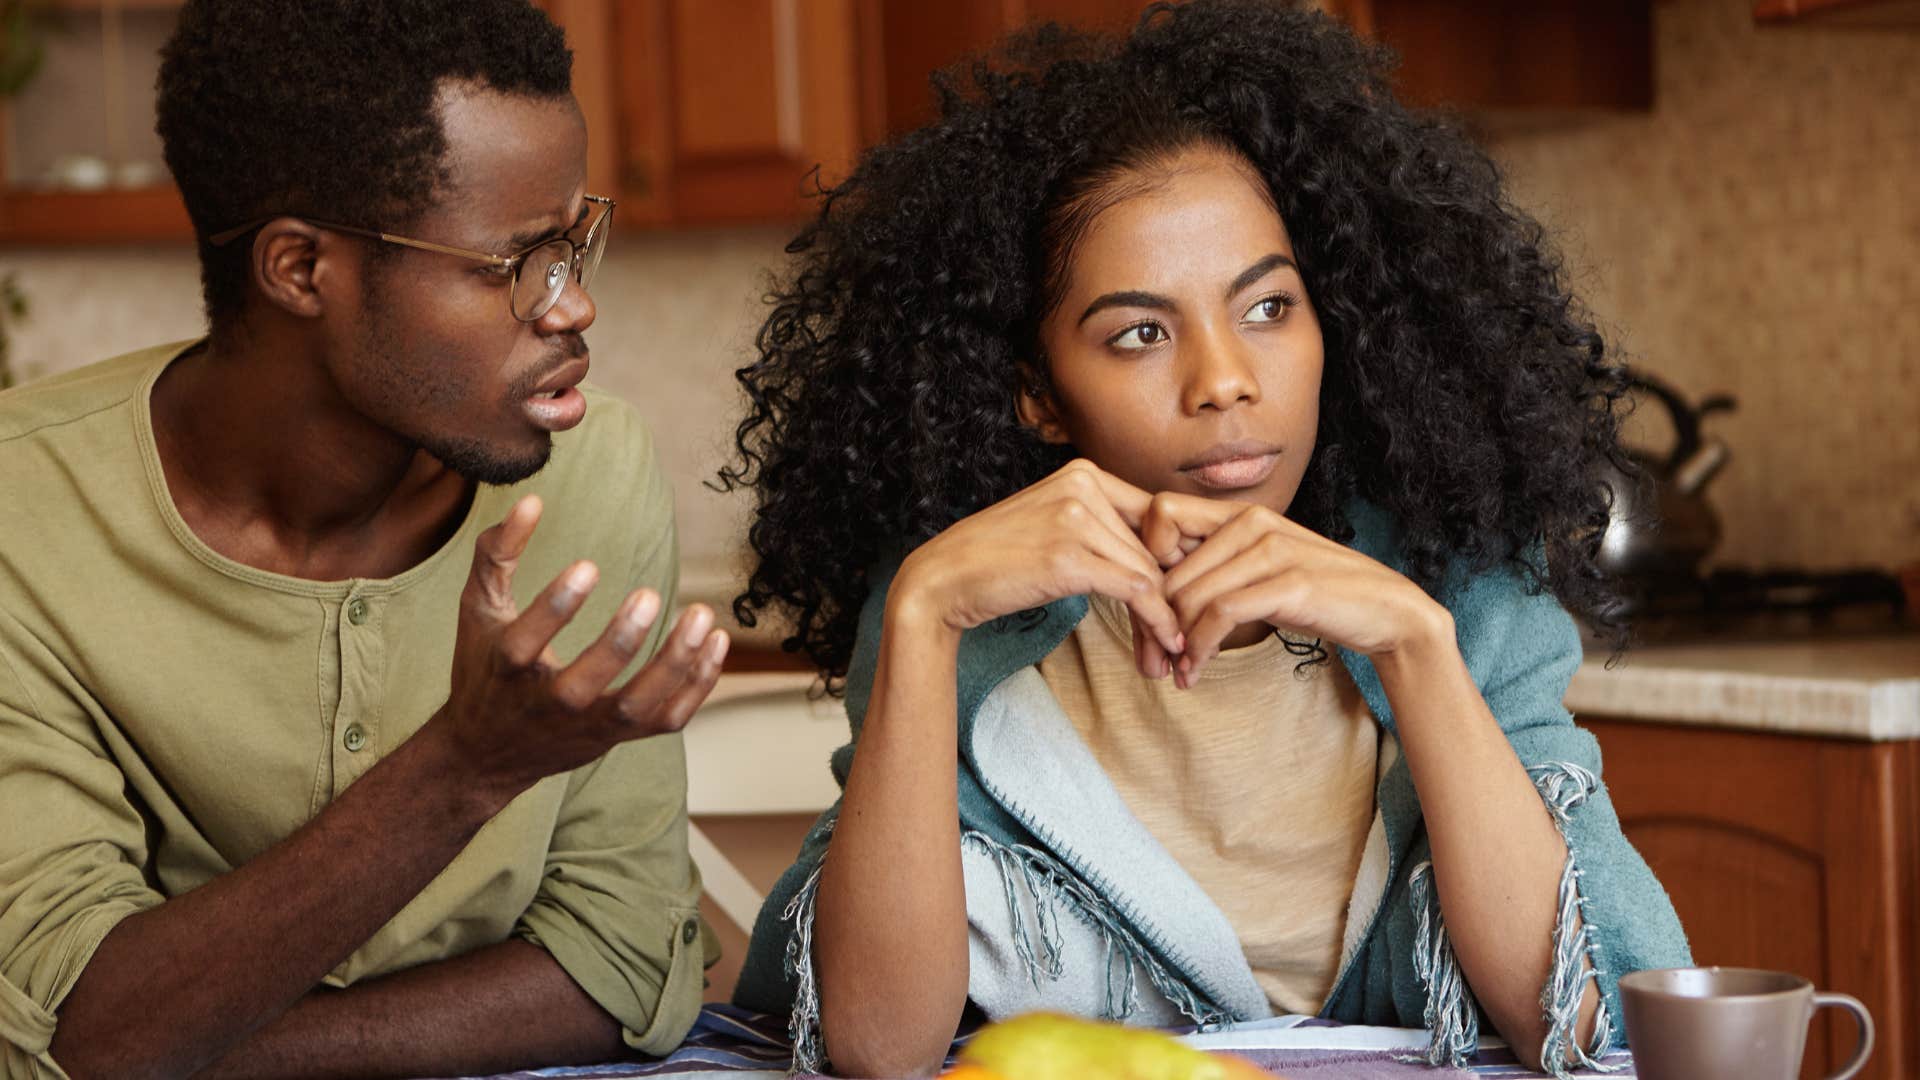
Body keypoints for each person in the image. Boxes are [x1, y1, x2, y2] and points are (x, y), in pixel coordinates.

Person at [719, 2, 1689, 1077]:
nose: (1225, 380)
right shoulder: (968, 609)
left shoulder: (1457, 577)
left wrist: (1416, 647)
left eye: (1268, 308)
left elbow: (1599, 1018)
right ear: (1038, 394)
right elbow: (875, 1047)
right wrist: (920, 614)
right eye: (1140, 333)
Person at [0, 2, 732, 1077]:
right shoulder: (24, 514)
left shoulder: (595, 473)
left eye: (574, 243)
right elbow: (68, 1029)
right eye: (513, 261)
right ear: (301, 270)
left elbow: (622, 966)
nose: (571, 307)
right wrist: (465, 771)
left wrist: (195, 1046)